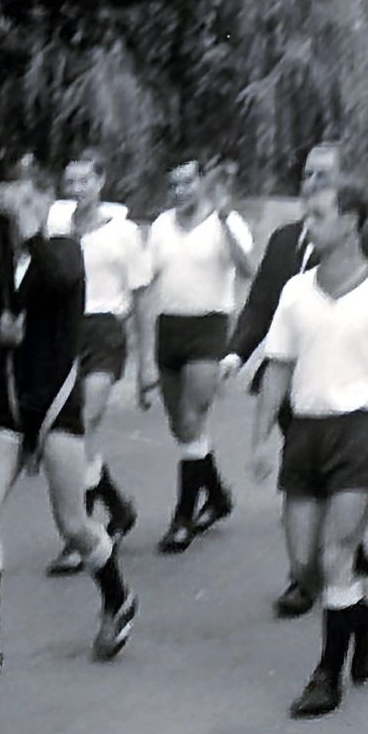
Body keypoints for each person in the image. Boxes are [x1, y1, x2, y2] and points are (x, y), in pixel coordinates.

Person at [0, 162, 138, 676]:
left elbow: (58, 276)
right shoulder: (5, 266)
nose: (18, 213)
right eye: (15, 205)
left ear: (46, 204)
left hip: (55, 402)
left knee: (73, 523)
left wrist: (31, 228)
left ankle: (118, 597)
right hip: (10, 401)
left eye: (29, 202)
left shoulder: (64, 251)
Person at [251, 181, 368, 717]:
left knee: (337, 552)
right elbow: (277, 366)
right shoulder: (296, 292)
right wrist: (259, 439)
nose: (309, 224)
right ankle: (367, 615)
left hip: (362, 429)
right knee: (305, 566)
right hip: (306, 431)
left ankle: (327, 674)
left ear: (350, 221)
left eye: (319, 214)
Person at [223, 142, 354, 616]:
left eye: (324, 175)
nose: (312, 183)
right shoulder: (282, 241)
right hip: (288, 383)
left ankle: (339, 549)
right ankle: (305, 571)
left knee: (331, 476)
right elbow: (260, 304)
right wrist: (236, 354)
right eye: (307, 175)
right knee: (302, 476)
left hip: (340, 385)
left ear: (341, 184)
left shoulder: (357, 245)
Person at [46, 152, 152, 574]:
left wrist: (147, 364)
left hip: (105, 329)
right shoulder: (58, 228)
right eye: (70, 182)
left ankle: (81, 535)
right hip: (65, 331)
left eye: (84, 181)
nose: (76, 190)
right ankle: (118, 507)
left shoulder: (123, 234)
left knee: (84, 424)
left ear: (101, 182)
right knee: (73, 430)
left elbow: (142, 295)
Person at [145, 157, 257, 552]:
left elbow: (247, 269)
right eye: (173, 185)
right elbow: (149, 279)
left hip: (208, 327)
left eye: (187, 183)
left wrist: (224, 219)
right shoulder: (161, 227)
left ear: (201, 185)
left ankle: (183, 517)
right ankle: (218, 495)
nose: (180, 192)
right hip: (169, 327)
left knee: (193, 420)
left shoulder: (226, 223)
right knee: (181, 427)